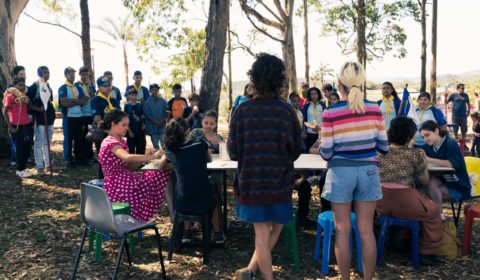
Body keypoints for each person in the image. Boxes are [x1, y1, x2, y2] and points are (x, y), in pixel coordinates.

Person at [228, 53, 304, 280]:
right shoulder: (287, 110)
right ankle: (262, 276)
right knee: (275, 224)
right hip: (279, 181)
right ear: (279, 79)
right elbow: (297, 149)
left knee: (264, 231)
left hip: (251, 182)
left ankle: (251, 271)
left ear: (254, 78)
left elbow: (233, 152)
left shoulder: (242, 111)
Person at [318, 61, 388, 280]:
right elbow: (384, 147)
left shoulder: (330, 112)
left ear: (339, 83)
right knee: (366, 231)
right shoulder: (375, 109)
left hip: (340, 173)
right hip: (368, 172)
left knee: (342, 230)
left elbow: (327, 153)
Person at [377, 116, 442, 265]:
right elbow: (424, 181)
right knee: (432, 211)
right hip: (406, 203)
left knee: (415, 206)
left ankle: (405, 240)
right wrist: (424, 165)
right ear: (409, 136)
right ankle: (427, 252)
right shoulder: (415, 154)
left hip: (381, 202)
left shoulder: (379, 152)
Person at [98, 110, 170, 222]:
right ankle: (174, 214)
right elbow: (127, 157)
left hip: (123, 180)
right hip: (117, 185)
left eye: (127, 125)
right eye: (124, 125)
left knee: (160, 174)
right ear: (113, 124)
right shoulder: (110, 142)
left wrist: (146, 156)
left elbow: (129, 167)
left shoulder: (120, 141)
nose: (126, 128)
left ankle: (173, 213)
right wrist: (153, 157)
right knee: (161, 176)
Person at [164, 117, 217, 242]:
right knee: (215, 195)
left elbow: (162, 166)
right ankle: (218, 231)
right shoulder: (200, 144)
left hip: (181, 204)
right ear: (188, 130)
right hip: (204, 203)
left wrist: (176, 164)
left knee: (184, 188)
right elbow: (209, 160)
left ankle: (187, 231)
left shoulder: (173, 151)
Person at [186, 110, 226, 244]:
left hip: (214, 172)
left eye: (212, 123)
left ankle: (217, 228)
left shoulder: (219, 138)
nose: (208, 126)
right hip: (196, 171)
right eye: (206, 122)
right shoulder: (195, 133)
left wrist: (221, 145)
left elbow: (226, 157)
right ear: (201, 122)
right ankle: (192, 227)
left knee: (214, 191)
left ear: (215, 124)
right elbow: (188, 149)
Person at [420, 120, 472, 216]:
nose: (425, 139)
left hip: (457, 185)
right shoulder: (428, 146)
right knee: (423, 187)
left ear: (436, 131)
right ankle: (435, 218)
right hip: (442, 181)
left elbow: (453, 164)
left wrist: (430, 159)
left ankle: (437, 218)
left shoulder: (450, 144)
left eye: (427, 135)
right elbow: (418, 151)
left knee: (428, 189)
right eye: (423, 137)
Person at [91, 75, 121, 178]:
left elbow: (120, 116)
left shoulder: (113, 100)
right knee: (103, 160)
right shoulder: (96, 100)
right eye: (105, 86)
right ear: (99, 88)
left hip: (115, 134)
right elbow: (98, 119)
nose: (108, 87)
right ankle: (102, 181)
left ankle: (114, 179)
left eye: (109, 85)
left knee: (115, 158)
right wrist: (110, 131)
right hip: (103, 135)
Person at [27, 66, 55, 175]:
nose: (47, 74)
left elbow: (49, 102)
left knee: (47, 142)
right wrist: (38, 109)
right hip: (39, 119)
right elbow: (28, 103)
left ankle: (48, 164)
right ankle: (39, 166)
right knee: (39, 142)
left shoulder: (48, 85)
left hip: (49, 118)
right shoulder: (33, 86)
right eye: (44, 72)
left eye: (48, 72)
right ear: (39, 73)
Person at [2, 77, 32, 178]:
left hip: (26, 124)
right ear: (14, 86)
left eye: (23, 85)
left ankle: (23, 168)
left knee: (28, 147)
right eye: (19, 85)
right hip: (16, 125)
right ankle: (20, 169)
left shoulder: (24, 96)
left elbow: (27, 104)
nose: (22, 87)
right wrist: (10, 127)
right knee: (19, 148)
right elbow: (4, 112)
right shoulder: (10, 96)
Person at [58, 67, 88, 167]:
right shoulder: (63, 87)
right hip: (69, 117)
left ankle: (79, 158)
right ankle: (68, 160)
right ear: (65, 75)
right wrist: (77, 101)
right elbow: (64, 103)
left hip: (79, 116)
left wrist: (72, 100)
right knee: (68, 139)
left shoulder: (78, 86)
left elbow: (84, 100)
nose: (72, 76)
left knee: (79, 139)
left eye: (73, 74)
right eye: (70, 74)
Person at [76, 66, 96, 162]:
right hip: (82, 114)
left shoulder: (90, 85)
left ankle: (90, 155)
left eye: (86, 75)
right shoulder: (77, 85)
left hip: (90, 114)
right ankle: (82, 156)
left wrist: (91, 85)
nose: (85, 76)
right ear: (79, 74)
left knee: (90, 135)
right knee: (82, 136)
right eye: (83, 74)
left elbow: (92, 96)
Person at [8, 65, 27, 167]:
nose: (24, 76)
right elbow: (6, 107)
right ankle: (14, 160)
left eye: (24, 74)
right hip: (14, 120)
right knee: (15, 142)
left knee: (24, 141)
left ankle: (22, 158)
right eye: (21, 74)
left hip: (24, 120)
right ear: (15, 75)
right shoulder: (11, 90)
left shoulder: (24, 88)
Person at [143, 83, 167, 151]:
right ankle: (158, 160)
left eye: (156, 90)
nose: (154, 91)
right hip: (152, 127)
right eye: (153, 90)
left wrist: (162, 121)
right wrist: (156, 122)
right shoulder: (147, 102)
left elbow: (166, 112)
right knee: (155, 146)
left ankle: (166, 159)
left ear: (158, 90)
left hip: (162, 126)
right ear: (150, 91)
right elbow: (147, 114)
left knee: (164, 144)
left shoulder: (162, 101)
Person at [302, 87, 326, 151]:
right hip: (310, 133)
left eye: (315, 94)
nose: (314, 96)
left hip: (320, 133)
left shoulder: (323, 105)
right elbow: (304, 119)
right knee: (310, 151)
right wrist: (304, 131)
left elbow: (325, 119)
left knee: (320, 152)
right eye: (312, 94)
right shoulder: (306, 106)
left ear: (318, 94)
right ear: (309, 96)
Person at [124, 89, 146, 155]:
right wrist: (129, 131)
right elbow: (125, 119)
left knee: (141, 146)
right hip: (131, 130)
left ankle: (141, 162)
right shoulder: (127, 106)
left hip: (140, 130)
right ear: (129, 96)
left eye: (135, 95)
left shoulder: (139, 105)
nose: (134, 97)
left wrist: (143, 125)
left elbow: (142, 116)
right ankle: (133, 162)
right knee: (131, 147)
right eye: (132, 95)